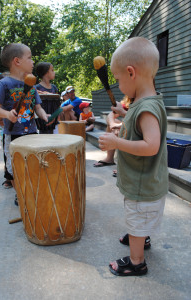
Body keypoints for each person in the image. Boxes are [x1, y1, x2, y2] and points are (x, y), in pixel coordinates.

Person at [98, 37, 168, 276]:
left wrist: (117, 142)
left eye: (117, 80)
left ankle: (137, 262)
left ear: (131, 72)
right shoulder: (144, 103)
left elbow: (150, 145)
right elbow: (137, 124)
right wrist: (123, 113)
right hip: (144, 180)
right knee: (139, 217)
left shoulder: (146, 108)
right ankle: (142, 237)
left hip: (142, 183)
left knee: (137, 217)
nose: (118, 86)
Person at [0, 43, 49, 204]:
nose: (32, 62)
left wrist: (44, 116)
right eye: (29, 58)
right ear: (17, 61)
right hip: (13, 134)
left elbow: (37, 106)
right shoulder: (4, 83)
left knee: (32, 165)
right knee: (14, 168)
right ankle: (20, 195)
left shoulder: (31, 85)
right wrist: (7, 114)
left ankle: (30, 191)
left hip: (31, 132)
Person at [93, 96, 130, 168]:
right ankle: (109, 158)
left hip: (140, 130)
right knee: (113, 122)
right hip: (127, 125)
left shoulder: (145, 102)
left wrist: (120, 125)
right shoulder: (128, 101)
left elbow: (141, 120)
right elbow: (111, 115)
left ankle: (125, 166)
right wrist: (113, 125)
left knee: (124, 129)